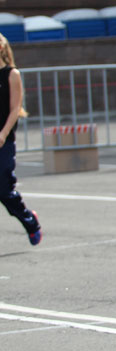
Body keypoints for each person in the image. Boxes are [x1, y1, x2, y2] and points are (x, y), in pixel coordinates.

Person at [0, 34, 41, 246]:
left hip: (3, 141)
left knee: (4, 190)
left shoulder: (11, 74)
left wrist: (3, 133)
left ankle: (30, 221)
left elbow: (15, 108)